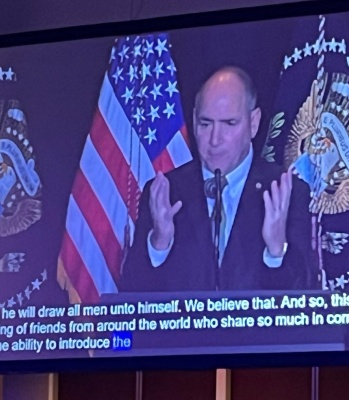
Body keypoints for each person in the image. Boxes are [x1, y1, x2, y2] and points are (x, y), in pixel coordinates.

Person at [122, 67, 317, 291]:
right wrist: (159, 243)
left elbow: (306, 296)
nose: (215, 139)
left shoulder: (285, 191)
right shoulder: (166, 192)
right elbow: (132, 296)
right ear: (194, 121)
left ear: (253, 123)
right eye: (205, 124)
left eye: (229, 124)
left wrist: (276, 251)